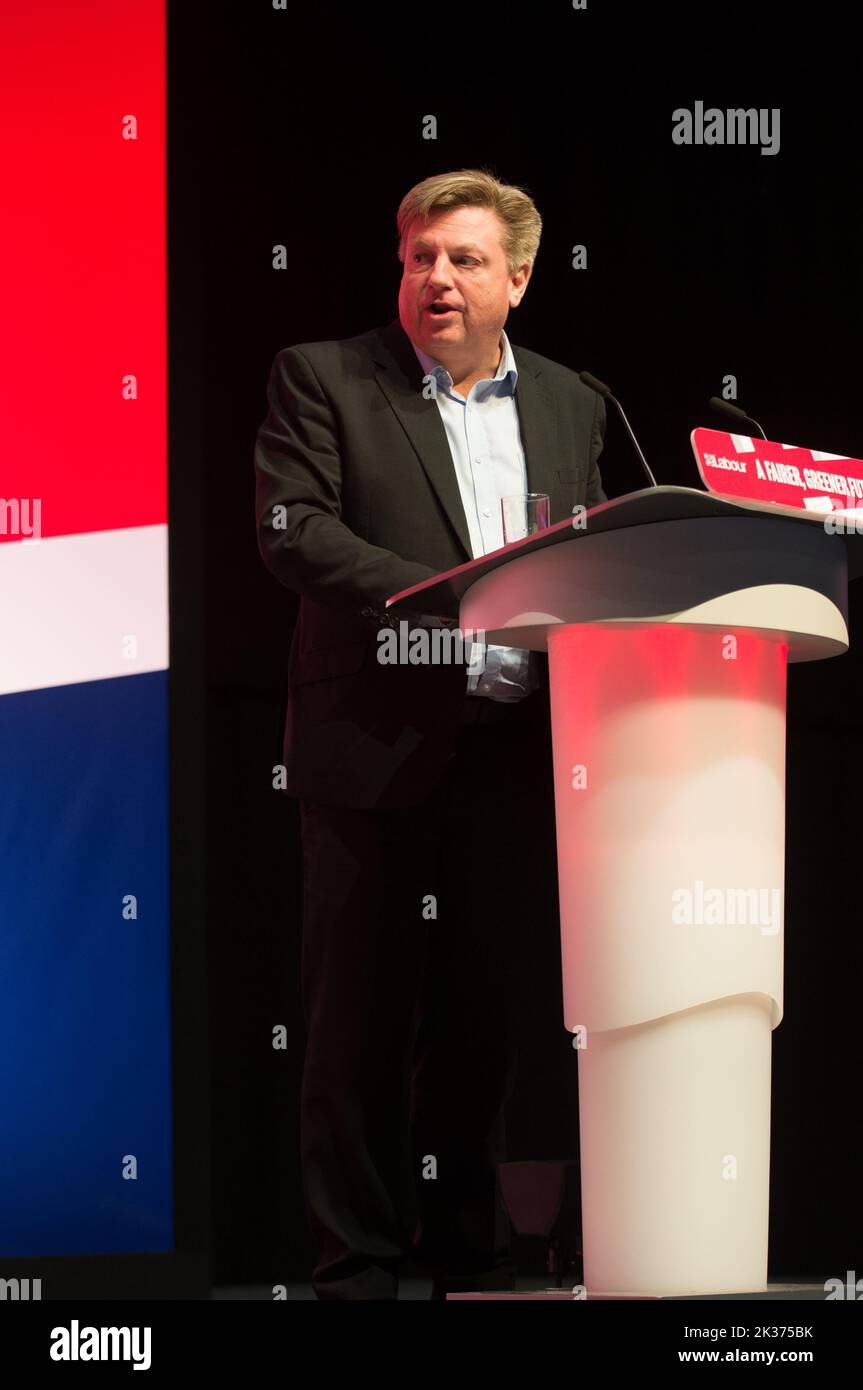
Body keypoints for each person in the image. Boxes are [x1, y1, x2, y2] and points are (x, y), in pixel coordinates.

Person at [254, 168, 608, 1300]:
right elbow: (293, 531)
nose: (436, 279)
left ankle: (464, 1249)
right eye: (417, 257)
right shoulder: (325, 378)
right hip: (372, 743)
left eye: (461, 259)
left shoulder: (572, 401)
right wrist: (459, 594)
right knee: (355, 1023)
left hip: (509, 752)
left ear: (517, 276)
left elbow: (594, 549)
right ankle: (355, 1262)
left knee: (481, 1019)